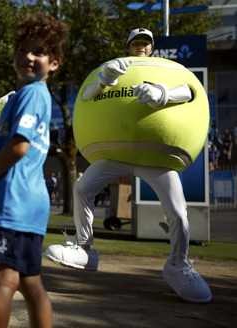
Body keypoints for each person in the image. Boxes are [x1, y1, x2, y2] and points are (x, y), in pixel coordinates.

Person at [45, 28, 213, 303]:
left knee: (179, 214)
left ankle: (178, 265)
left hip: (156, 158)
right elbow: (87, 96)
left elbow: (191, 92)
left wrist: (163, 94)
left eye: (145, 43)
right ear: (127, 45)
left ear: (151, 47)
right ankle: (84, 248)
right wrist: (103, 81)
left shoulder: (166, 71)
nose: (141, 47)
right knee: (83, 188)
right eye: (135, 42)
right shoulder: (115, 69)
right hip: (115, 152)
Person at [0, 13, 68, 328]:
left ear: (55, 63)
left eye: (38, 52)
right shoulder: (22, 97)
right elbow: (16, 150)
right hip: (28, 206)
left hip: (12, 205)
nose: (28, 57)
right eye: (22, 50)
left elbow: (19, 147)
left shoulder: (33, 94)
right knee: (30, 282)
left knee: (4, 280)